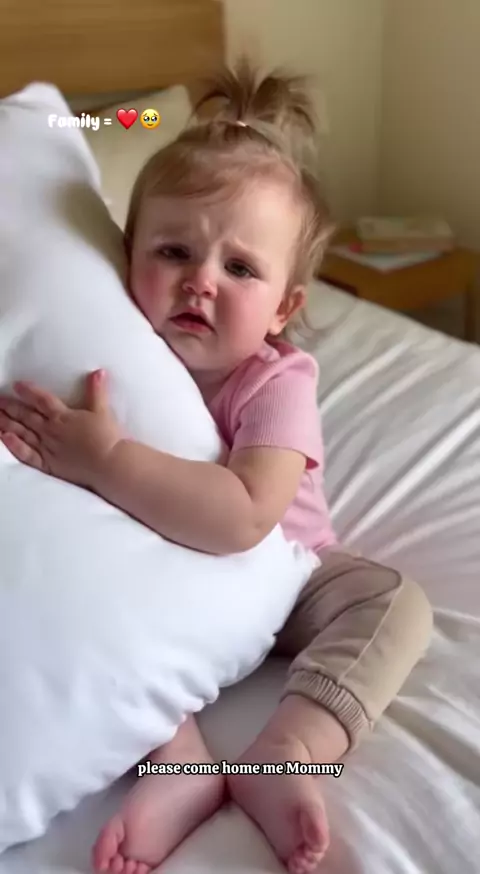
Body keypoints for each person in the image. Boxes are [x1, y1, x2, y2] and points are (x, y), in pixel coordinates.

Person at [0, 60, 433, 874]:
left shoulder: (276, 380)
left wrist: (107, 459)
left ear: (284, 307)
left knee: (394, 603)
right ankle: (180, 761)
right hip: (160, 580)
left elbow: (245, 517)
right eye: (173, 251)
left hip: (285, 572)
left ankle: (289, 749)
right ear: (125, 256)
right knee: (97, 616)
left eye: (240, 269)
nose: (200, 280)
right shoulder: (111, 351)